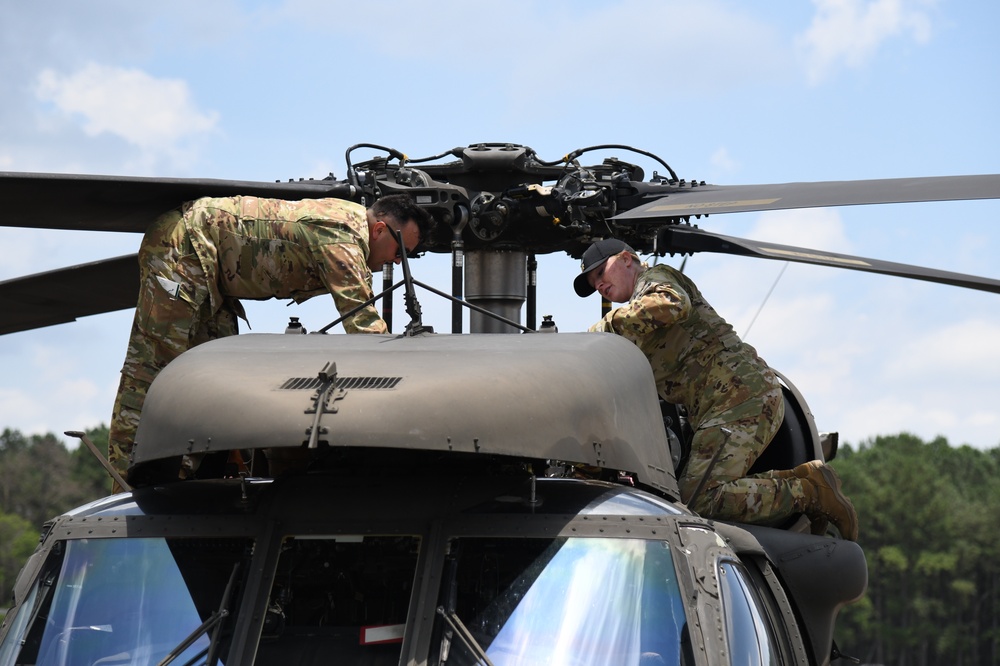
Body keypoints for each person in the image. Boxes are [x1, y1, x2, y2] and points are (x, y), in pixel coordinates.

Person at [108, 193, 432, 486]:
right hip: (186, 244)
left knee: (209, 372)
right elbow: (362, 323)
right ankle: (126, 480)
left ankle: (184, 474)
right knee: (155, 363)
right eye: (401, 250)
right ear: (378, 230)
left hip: (211, 267)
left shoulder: (348, 230)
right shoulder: (342, 234)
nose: (398, 261)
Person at [574, 238, 858, 540]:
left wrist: (608, 325)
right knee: (693, 497)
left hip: (739, 395)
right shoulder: (636, 325)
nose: (599, 285)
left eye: (601, 272)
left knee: (700, 501)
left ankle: (809, 492)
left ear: (627, 259)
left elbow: (672, 303)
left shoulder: (655, 279)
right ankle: (806, 481)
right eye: (593, 283)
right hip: (724, 404)